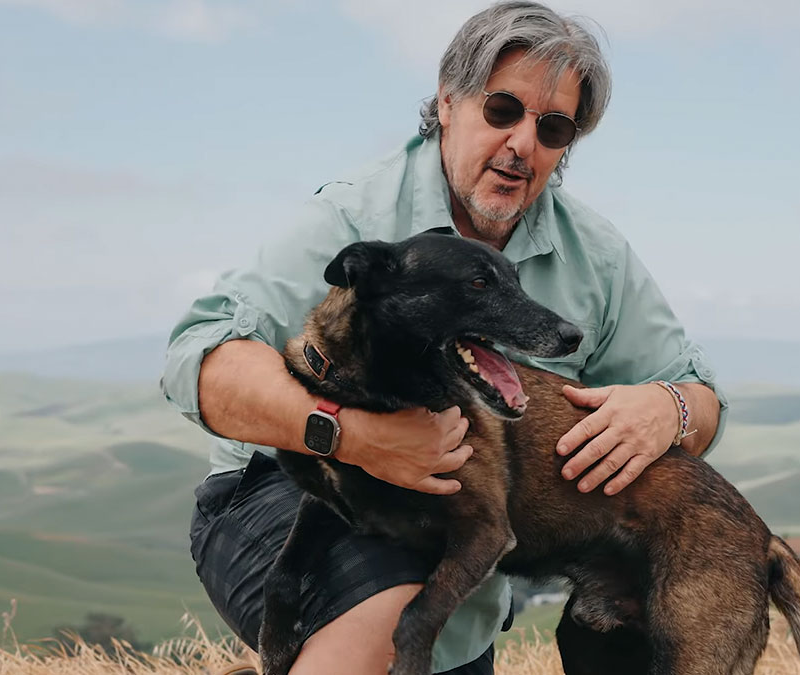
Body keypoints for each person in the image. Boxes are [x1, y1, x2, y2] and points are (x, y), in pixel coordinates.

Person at [161, 2, 728, 673]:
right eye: (502, 110)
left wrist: (672, 407)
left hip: (460, 551)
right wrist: (351, 436)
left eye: (552, 127)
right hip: (283, 489)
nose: (523, 142)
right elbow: (199, 361)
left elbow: (698, 396)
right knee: (382, 615)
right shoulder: (354, 213)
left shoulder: (597, 254)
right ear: (449, 102)